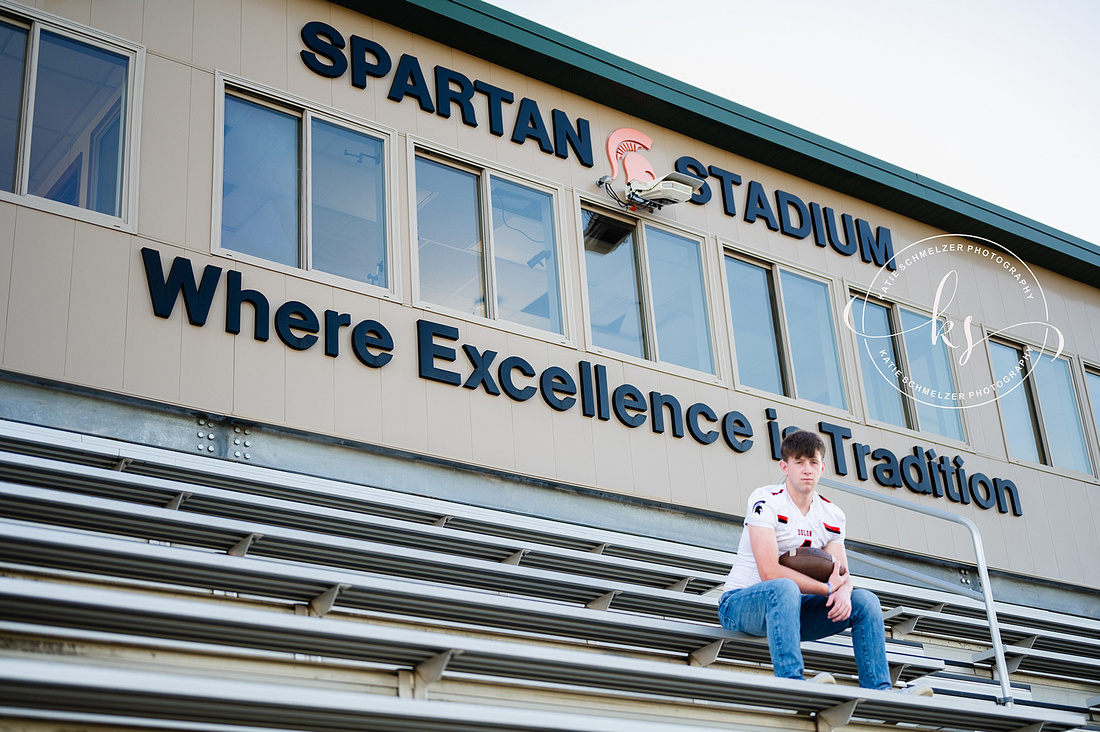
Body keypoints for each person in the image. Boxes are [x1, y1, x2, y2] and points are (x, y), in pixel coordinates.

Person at [717, 430, 931, 695]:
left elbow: (842, 574)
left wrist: (844, 592)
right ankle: (791, 683)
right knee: (784, 587)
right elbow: (769, 572)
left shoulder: (831, 513)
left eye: (813, 462)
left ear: (822, 468)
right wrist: (828, 590)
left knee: (865, 602)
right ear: (785, 467)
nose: (807, 469)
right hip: (740, 605)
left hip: (791, 611)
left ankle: (879, 690)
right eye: (799, 462)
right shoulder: (765, 500)